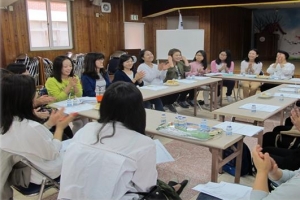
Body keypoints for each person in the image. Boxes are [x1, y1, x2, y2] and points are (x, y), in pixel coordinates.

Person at [58, 82, 188, 199]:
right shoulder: (142, 143)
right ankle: (171, 190)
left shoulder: (86, 129)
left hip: (69, 196)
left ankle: (171, 188)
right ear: (138, 110)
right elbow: (146, 188)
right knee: (156, 190)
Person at [0, 74, 76, 184]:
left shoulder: (8, 122)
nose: (37, 94)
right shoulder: (30, 127)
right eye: (34, 91)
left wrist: (49, 123)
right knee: (81, 150)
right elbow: (52, 153)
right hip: (44, 173)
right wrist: (60, 128)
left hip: (22, 173)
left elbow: (30, 139)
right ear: (25, 98)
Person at [45, 55, 88, 134]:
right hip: (57, 108)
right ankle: (73, 140)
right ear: (58, 67)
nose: (69, 68)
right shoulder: (51, 81)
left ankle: (80, 140)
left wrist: (75, 86)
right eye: (65, 67)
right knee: (79, 123)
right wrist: (69, 86)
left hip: (71, 105)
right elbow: (58, 99)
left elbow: (79, 95)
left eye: (70, 66)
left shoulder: (74, 77)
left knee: (85, 121)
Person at [161, 48, 191, 113]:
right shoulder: (167, 64)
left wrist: (185, 60)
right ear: (171, 56)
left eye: (179, 55)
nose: (178, 57)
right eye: (176, 55)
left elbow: (187, 69)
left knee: (190, 88)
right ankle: (168, 104)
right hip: (170, 84)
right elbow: (171, 75)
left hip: (180, 83)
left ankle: (177, 102)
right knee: (175, 92)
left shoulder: (180, 63)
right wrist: (171, 63)